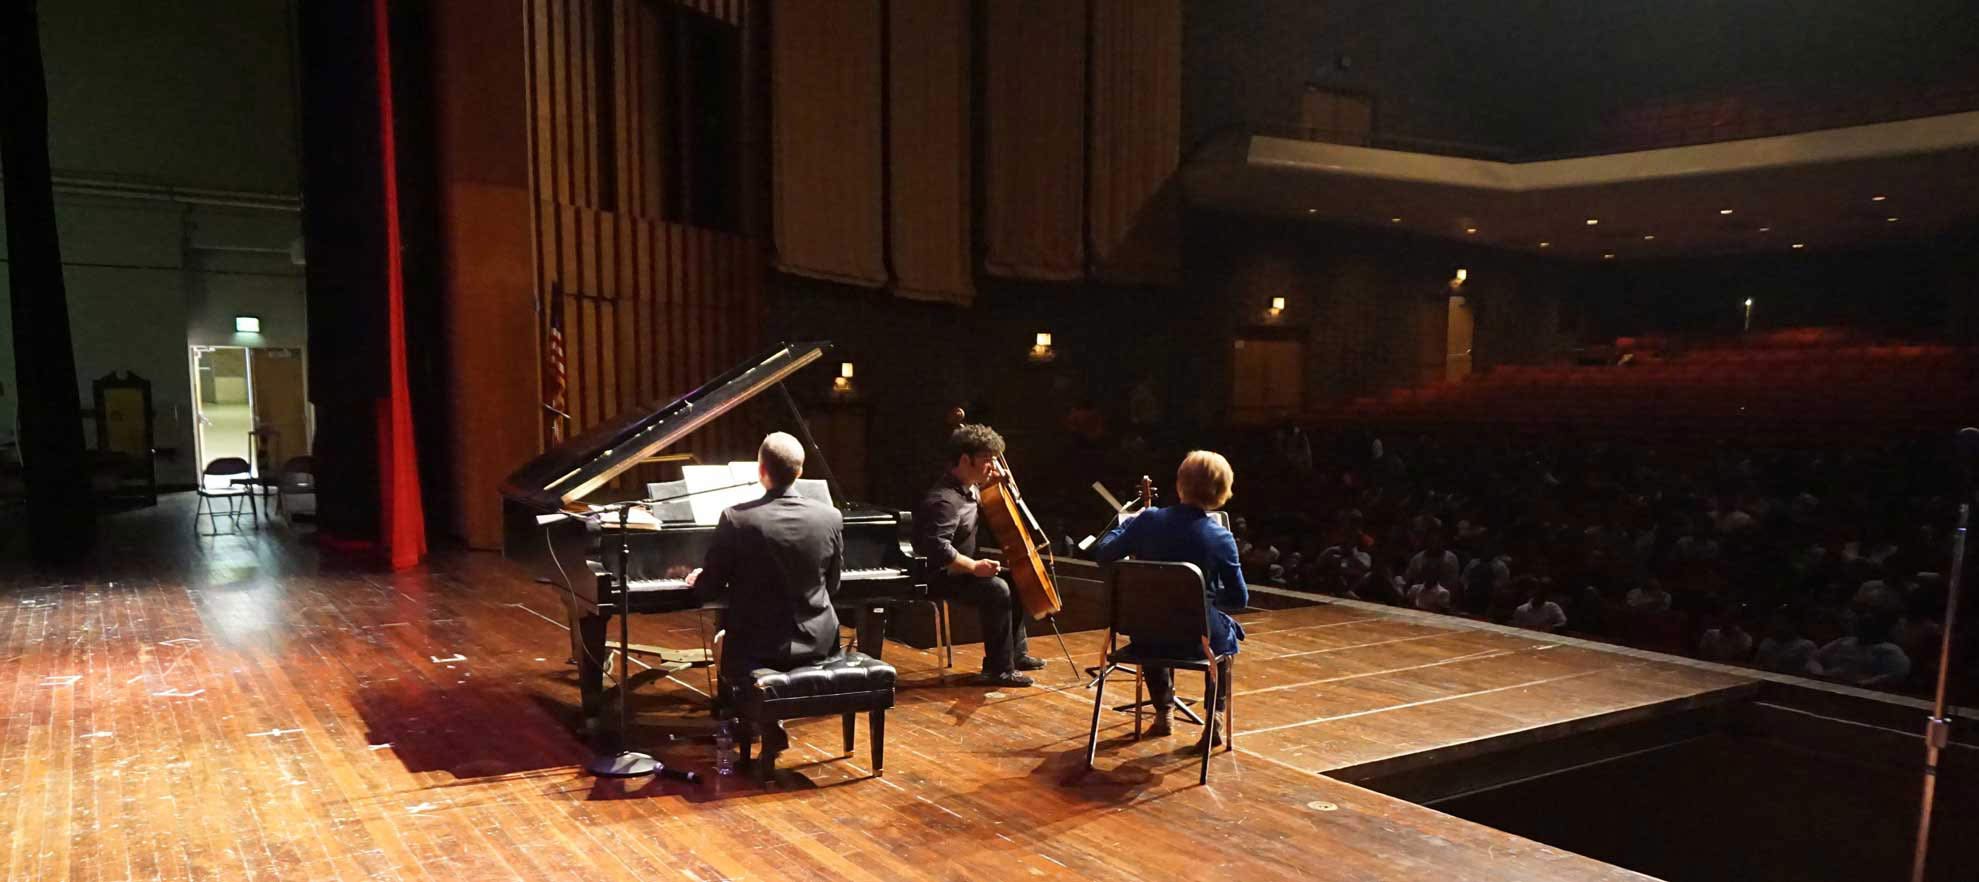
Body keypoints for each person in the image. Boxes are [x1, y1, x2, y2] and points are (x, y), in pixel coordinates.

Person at [686, 432, 845, 764]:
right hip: (818, 642)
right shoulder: (830, 517)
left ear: (761, 470)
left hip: (758, 647)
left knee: (724, 642)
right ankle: (769, 724)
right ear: (800, 472)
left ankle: (756, 724)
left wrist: (697, 579)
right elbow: (833, 587)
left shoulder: (736, 518)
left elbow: (711, 590)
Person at [1091, 450, 1248, 741]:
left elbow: (1103, 554)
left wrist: (1127, 525)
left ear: (1180, 484)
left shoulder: (1147, 520)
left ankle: (1163, 713)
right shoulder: (1221, 538)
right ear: (1221, 491)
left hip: (1145, 637)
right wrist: (1206, 601)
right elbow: (1240, 599)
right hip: (1196, 640)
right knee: (1225, 637)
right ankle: (1215, 715)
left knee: (1153, 618)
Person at [913, 424, 1042, 687]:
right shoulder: (945, 501)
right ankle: (998, 670)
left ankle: (1015, 654)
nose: (992, 466)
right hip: (939, 575)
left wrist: (1004, 485)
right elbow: (937, 548)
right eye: (986, 459)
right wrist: (973, 567)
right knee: (997, 590)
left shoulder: (969, 488)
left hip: (961, 571)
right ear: (964, 460)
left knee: (1016, 579)